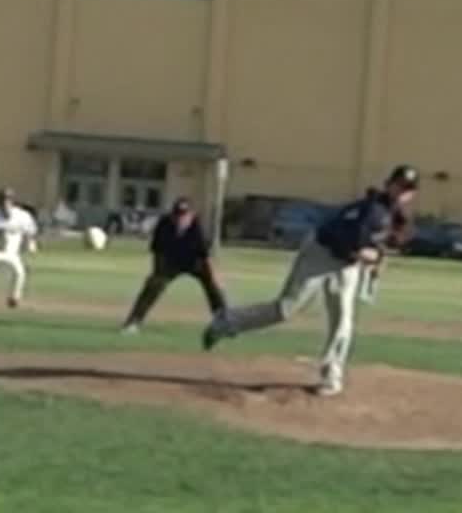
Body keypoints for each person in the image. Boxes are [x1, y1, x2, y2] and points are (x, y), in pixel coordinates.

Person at [202, 165, 419, 397]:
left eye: (407, 189)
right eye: (399, 185)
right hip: (321, 252)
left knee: (343, 319)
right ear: (390, 184)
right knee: (285, 309)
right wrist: (375, 257)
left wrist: (379, 254)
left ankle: (331, 375)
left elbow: (386, 242)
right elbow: (355, 246)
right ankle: (227, 321)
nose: (402, 192)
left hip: (345, 262)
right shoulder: (374, 212)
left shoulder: (394, 213)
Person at [120, 197, 227, 334]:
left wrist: (214, 277)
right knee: (153, 284)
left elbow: (206, 256)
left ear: (191, 215)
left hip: (195, 262)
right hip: (171, 262)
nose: (180, 220)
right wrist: (157, 273)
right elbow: (157, 251)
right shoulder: (164, 225)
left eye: (184, 216)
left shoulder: (198, 228)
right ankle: (133, 322)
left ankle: (224, 322)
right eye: (177, 216)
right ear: (172, 215)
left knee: (213, 287)